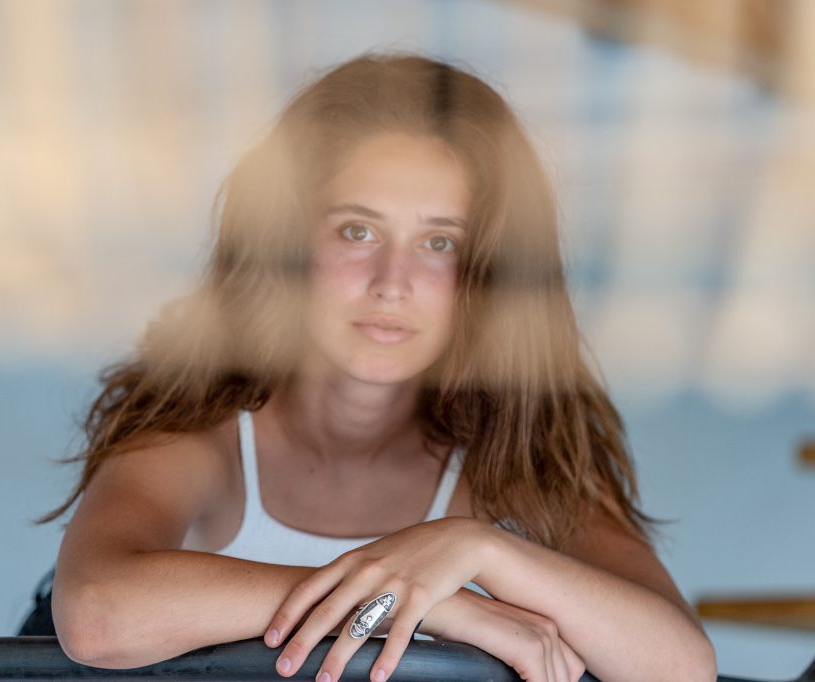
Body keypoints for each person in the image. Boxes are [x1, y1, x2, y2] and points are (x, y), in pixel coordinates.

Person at [40, 53, 717, 682]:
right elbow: (98, 616)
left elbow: (682, 669)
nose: (392, 283)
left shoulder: (512, 449)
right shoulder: (204, 421)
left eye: (439, 242)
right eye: (357, 231)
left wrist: (480, 551)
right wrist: (417, 604)